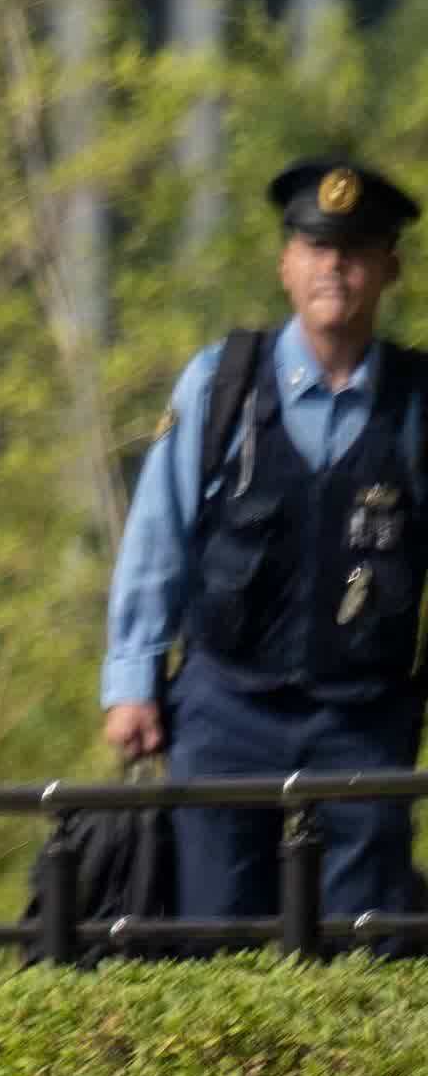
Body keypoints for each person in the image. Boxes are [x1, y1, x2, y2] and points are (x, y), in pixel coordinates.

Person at [106, 158, 428, 934]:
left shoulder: (417, 404)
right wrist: (131, 680)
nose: (335, 269)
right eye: (317, 248)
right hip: (227, 707)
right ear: (286, 263)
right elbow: (158, 536)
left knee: (368, 946)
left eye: (355, 251)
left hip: (364, 715)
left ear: (389, 267)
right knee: (214, 938)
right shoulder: (224, 384)